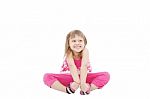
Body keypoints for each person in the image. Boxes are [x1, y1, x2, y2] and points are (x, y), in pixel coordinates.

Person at [43, 30, 110, 95]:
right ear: (69, 44)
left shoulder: (85, 51)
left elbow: (84, 65)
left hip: (84, 76)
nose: (77, 43)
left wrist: (83, 83)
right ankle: (67, 89)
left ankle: (88, 89)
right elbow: (71, 66)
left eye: (80, 41)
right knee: (47, 76)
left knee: (106, 75)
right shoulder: (69, 53)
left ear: (84, 43)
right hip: (70, 76)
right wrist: (77, 82)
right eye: (74, 41)